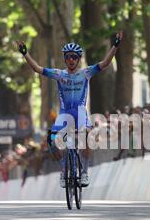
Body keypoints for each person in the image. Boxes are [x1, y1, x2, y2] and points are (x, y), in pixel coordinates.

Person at [14, 32, 123, 188]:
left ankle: (84, 173)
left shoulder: (85, 73)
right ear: (65, 59)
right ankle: (64, 168)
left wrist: (116, 45)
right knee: (51, 140)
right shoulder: (59, 74)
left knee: (87, 137)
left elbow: (105, 63)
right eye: (68, 57)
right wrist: (25, 54)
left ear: (78, 59)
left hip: (80, 112)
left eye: (74, 57)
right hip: (64, 114)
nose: (71, 60)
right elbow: (37, 69)